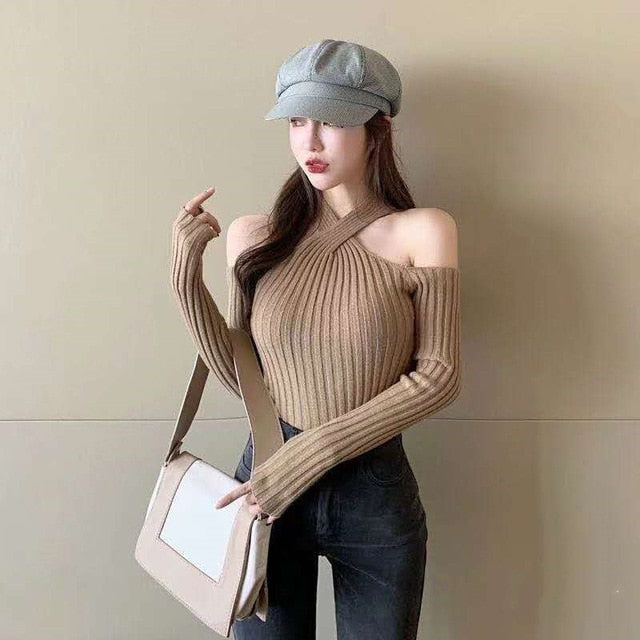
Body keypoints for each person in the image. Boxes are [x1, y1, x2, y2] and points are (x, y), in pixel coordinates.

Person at [171, 38, 460, 640]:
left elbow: (439, 375)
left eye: (332, 121)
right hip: (266, 483)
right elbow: (244, 379)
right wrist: (185, 277)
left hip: (371, 492)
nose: (311, 141)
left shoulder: (423, 231)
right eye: (297, 121)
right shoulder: (255, 236)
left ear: (377, 130)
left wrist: (311, 454)